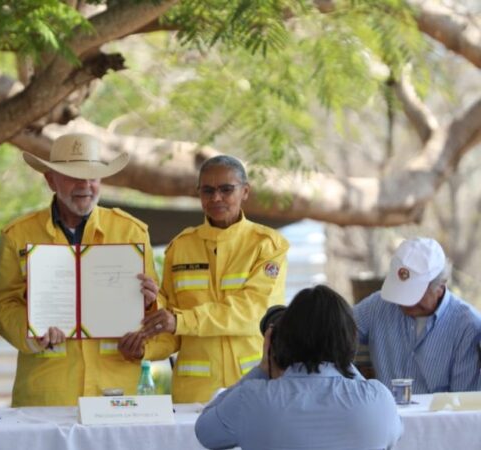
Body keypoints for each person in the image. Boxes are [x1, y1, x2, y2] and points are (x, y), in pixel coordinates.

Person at [0, 133, 175, 406]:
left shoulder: (131, 231)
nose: (85, 185)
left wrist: (150, 300)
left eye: (93, 176)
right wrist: (32, 332)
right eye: (73, 176)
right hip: (46, 394)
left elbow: (157, 311)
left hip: (115, 390)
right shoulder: (18, 234)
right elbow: (2, 305)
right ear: (50, 179)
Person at [139, 155, 289, 403]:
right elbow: (171, 329)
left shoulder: (268, 245)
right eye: (207, 190)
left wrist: (180, 320)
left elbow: (252, 311)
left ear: (245, 192)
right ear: (198, 194)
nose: (216, 198)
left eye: (226, 190)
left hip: (254, 384)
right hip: (193, 394)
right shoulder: (180, 247)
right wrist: (144, 346)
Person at [195, 285, 402, 450]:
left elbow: (205, 431)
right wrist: (342, 359)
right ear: (351, 339)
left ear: (281, 340)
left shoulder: (250, 398)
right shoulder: (378, 400)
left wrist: (263, 367)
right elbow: (394, 434)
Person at [354, 237, 481, 394]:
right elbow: (332, 335)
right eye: (399, 291)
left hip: (440, 418)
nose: (404, 302)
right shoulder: (377, 305)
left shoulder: (468, 326)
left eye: (413, 294)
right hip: (385, 415)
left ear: (441, 285)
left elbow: (463, 402)